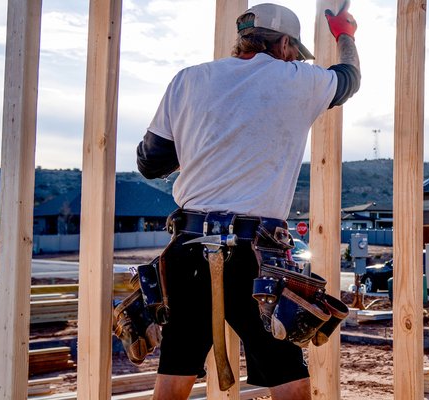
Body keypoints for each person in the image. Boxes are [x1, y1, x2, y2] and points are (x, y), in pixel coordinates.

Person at [134, 3, 360, 399]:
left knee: (175, 369)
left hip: (188, 248)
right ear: (284, 43)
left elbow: (150, 162)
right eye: (294, 51)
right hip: (255, 255)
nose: (295, 58)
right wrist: (345, 35)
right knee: (288, 375)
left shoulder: (188, 79)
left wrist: (202, 144)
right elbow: (348, 78)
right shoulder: (298, 79)